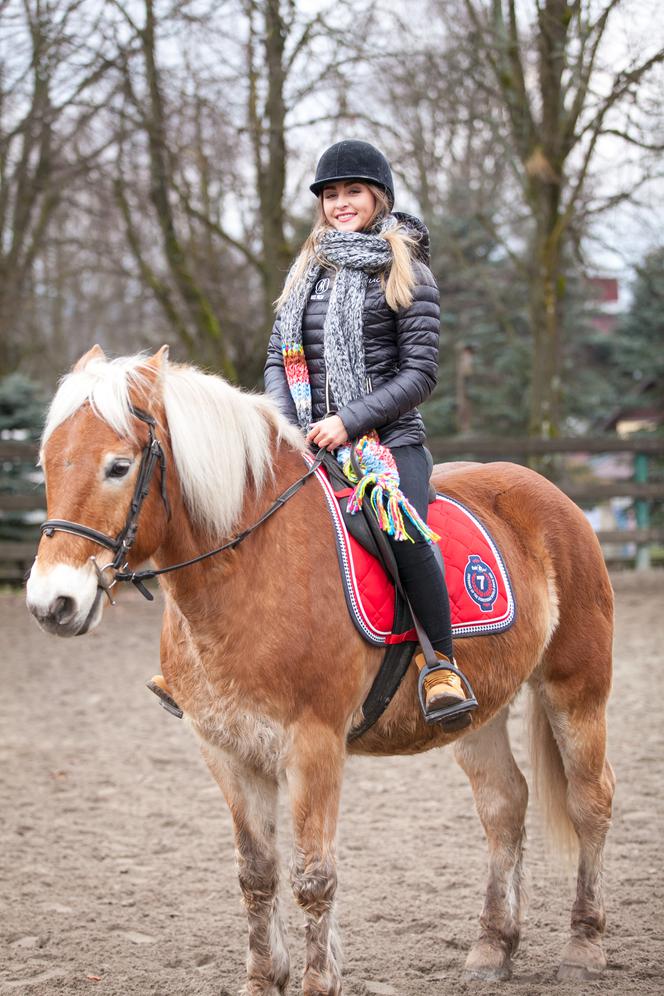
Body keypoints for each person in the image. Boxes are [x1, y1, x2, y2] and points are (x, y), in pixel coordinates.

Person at [264, 139, 477, 730]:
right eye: (331, 195)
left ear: (378, 197)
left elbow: (420, 372)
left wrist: (349, 421)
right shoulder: (306, 272)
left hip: (388, 443)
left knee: (402, 530)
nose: (340, 204)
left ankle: (441, 664)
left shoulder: (408, 271)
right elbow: (278, 361)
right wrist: (291, 428)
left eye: (352, 192)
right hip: (308, 440)